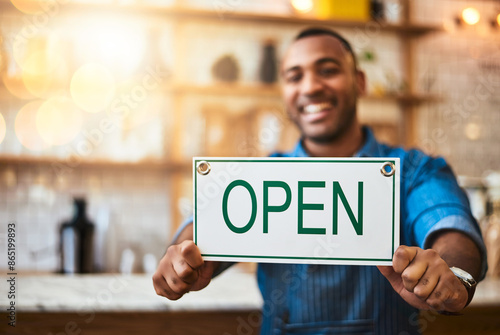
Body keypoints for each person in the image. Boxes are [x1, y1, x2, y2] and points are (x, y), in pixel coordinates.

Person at [153, 27, 487, 334]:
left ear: (359, 82)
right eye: (294, 76)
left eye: (327, 70)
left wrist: (453, 276)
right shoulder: (260, 174)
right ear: (285, 93)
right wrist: (182, 257)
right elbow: (205, 227)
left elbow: (450, 225)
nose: (311, 86)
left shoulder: (414, 169)